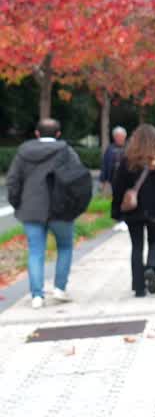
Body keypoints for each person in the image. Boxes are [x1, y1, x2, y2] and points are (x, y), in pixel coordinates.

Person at [5, 118, 83, 309]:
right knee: (65, 247)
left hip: (31, 209)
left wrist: (18, 204)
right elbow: (78, 179)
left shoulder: (24, 153)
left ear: (37, 134)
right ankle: (59, 288)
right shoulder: (66, 152)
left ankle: (37, 296)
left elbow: (13, 181)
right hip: (61, 210)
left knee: (35, 251)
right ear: (58, 134)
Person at [110, 123, 155, 298]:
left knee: (136, 246)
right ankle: (152, 268)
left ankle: (139, 286)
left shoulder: (127, 160)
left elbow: (118, 187)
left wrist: (116, 210)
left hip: (134, 210)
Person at [99, 126, 127, 195]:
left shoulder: (129, 147)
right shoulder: (110, 149)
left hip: (127, 177)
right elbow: (104, 165)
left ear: (124, 137)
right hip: (114, 178)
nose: (118, 139)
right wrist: (103, 181)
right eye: (116, 137)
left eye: (120, 136)